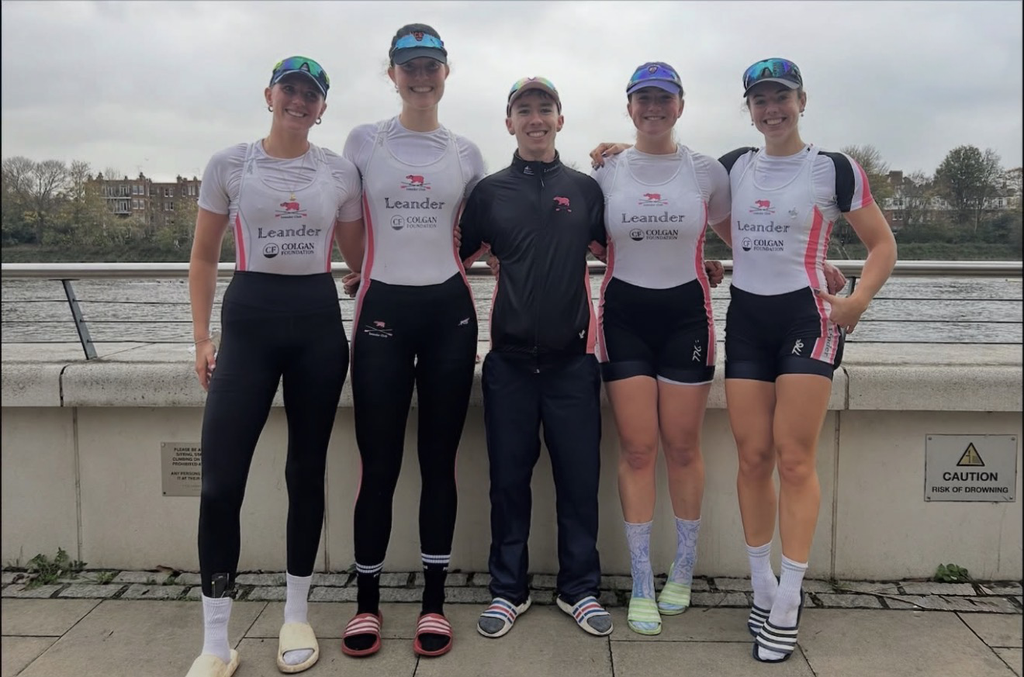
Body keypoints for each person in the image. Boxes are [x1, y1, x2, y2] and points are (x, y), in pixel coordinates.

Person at [186, 56, 363, 677]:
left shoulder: (339, 172)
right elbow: (204, 257)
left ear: (322, 107)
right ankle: (215, 642)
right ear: (270, 95)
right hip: (249, 323)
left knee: (305, 472)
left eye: (311, 93)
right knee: (219, 484)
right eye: (290, 89)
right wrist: (202, 337)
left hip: (316, 326)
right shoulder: (229, 164)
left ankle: (296, 614)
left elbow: (361, 254)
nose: (299, 100)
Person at [719, 57, 895, 663]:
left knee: (794, 459)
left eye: (782, 97)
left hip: (807, 319)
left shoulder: (833, 168)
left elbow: (882, 246)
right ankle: (760, 582)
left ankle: (790, 596)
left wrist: (857, 301)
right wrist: (612, 150)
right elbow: (717, 218)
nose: (772, 109)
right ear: (749, 108)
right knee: (752, 456)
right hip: (744, 319)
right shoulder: (734, 166)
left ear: (801, 100)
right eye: (761, 100)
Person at [339, 23, 486, 659]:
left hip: (450, 309)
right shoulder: (364, 141)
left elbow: (483, 237)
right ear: (392, 74)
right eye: (409, 66)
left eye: (430, 65)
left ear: (445, 73)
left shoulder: (469, 152)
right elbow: (345, 220)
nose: (420, 76)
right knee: (378, 463)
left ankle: (433, 601)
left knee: (439, 461)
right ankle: (366, 603)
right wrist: (365, 268)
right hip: (382, 310)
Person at [457, 76, 614, 640]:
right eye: (524, 110)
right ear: (509, 123)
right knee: (507, 481)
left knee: (579, 481)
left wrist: (708, 265)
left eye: (545, 109)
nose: (535, 118)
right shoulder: (489, 192)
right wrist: (371, 272)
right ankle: (508, 590)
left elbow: (631, 251)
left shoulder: (586, 190)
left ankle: (580, 589)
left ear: (559, 120)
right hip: (510, 365)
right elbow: (447, 257)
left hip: (574, 362)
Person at [590, 62, 730, 636]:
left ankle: (685, 570)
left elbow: (746, 232)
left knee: (682, 447)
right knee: (639, 449)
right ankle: (643, 579)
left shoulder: (707, 171)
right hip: (623, 315)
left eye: (664, 98)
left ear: (680, 104)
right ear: (629, 107)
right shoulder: (605, 171)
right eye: (643, 99)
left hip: (685, 318)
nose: (654, 107)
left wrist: (815, 264)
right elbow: (575, 232)